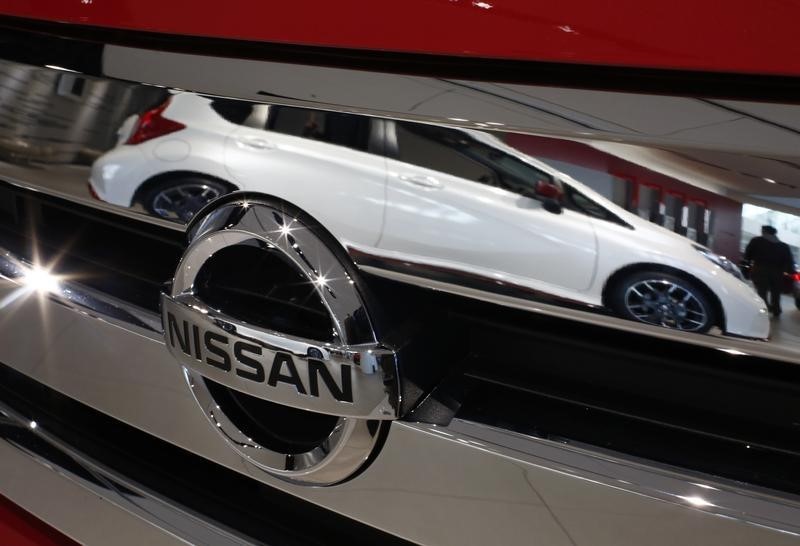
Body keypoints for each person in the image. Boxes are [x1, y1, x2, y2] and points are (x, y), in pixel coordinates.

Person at [744, 225, 795, 317]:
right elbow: (789, 261)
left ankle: (764, 308)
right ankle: (776, 310)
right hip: (778, 273)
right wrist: (791, 272)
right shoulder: (783, 246)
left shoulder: (756, 241)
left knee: (761, 291)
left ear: (764, 231)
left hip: (760, 270)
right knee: (776, 292)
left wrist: (748, 261)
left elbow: (748, 254)